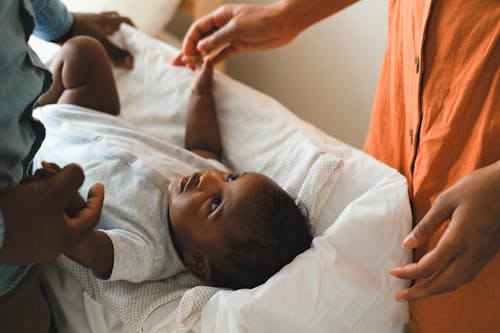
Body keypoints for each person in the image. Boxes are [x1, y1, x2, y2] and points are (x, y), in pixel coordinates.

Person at [172, 1, 500, 332]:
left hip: (482, 196)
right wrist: (288, 14)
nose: (210, 177)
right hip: (406, 119)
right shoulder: (372, 212)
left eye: (230, 178)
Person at [32, 36, 313, 290]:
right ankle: (33, 108)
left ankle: (24, 121)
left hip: (39, 155)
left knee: (27, 186)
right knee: (83, 51)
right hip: (85, 114)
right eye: (232, 177)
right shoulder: (198, 177)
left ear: (198, 261)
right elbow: (204, 147)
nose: (210, 178)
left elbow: (94, 251)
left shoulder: (149, 252)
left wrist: (66, 204)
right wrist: (201, 95)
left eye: (215, 204)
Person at [0, 1, 134, 331]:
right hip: (9, 260)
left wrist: (62, 25)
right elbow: (102, 254)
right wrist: (6, 230)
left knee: (83, 51)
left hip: (34, 143)